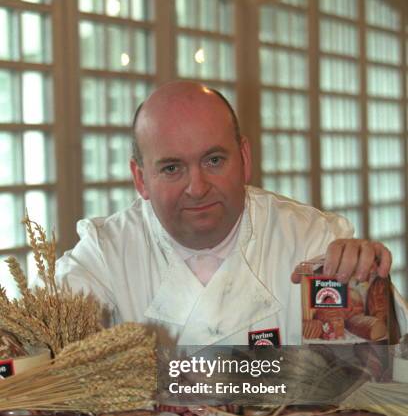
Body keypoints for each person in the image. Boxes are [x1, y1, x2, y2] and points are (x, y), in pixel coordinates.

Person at [56, 81, 407, 346]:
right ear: (140, 178)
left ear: (244, 159)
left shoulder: (313, 238)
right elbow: (47, 353)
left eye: (214, 160)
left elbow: (385, 367)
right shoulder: (104, 254)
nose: (197, 187)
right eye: (172, 168)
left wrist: (372, 287)